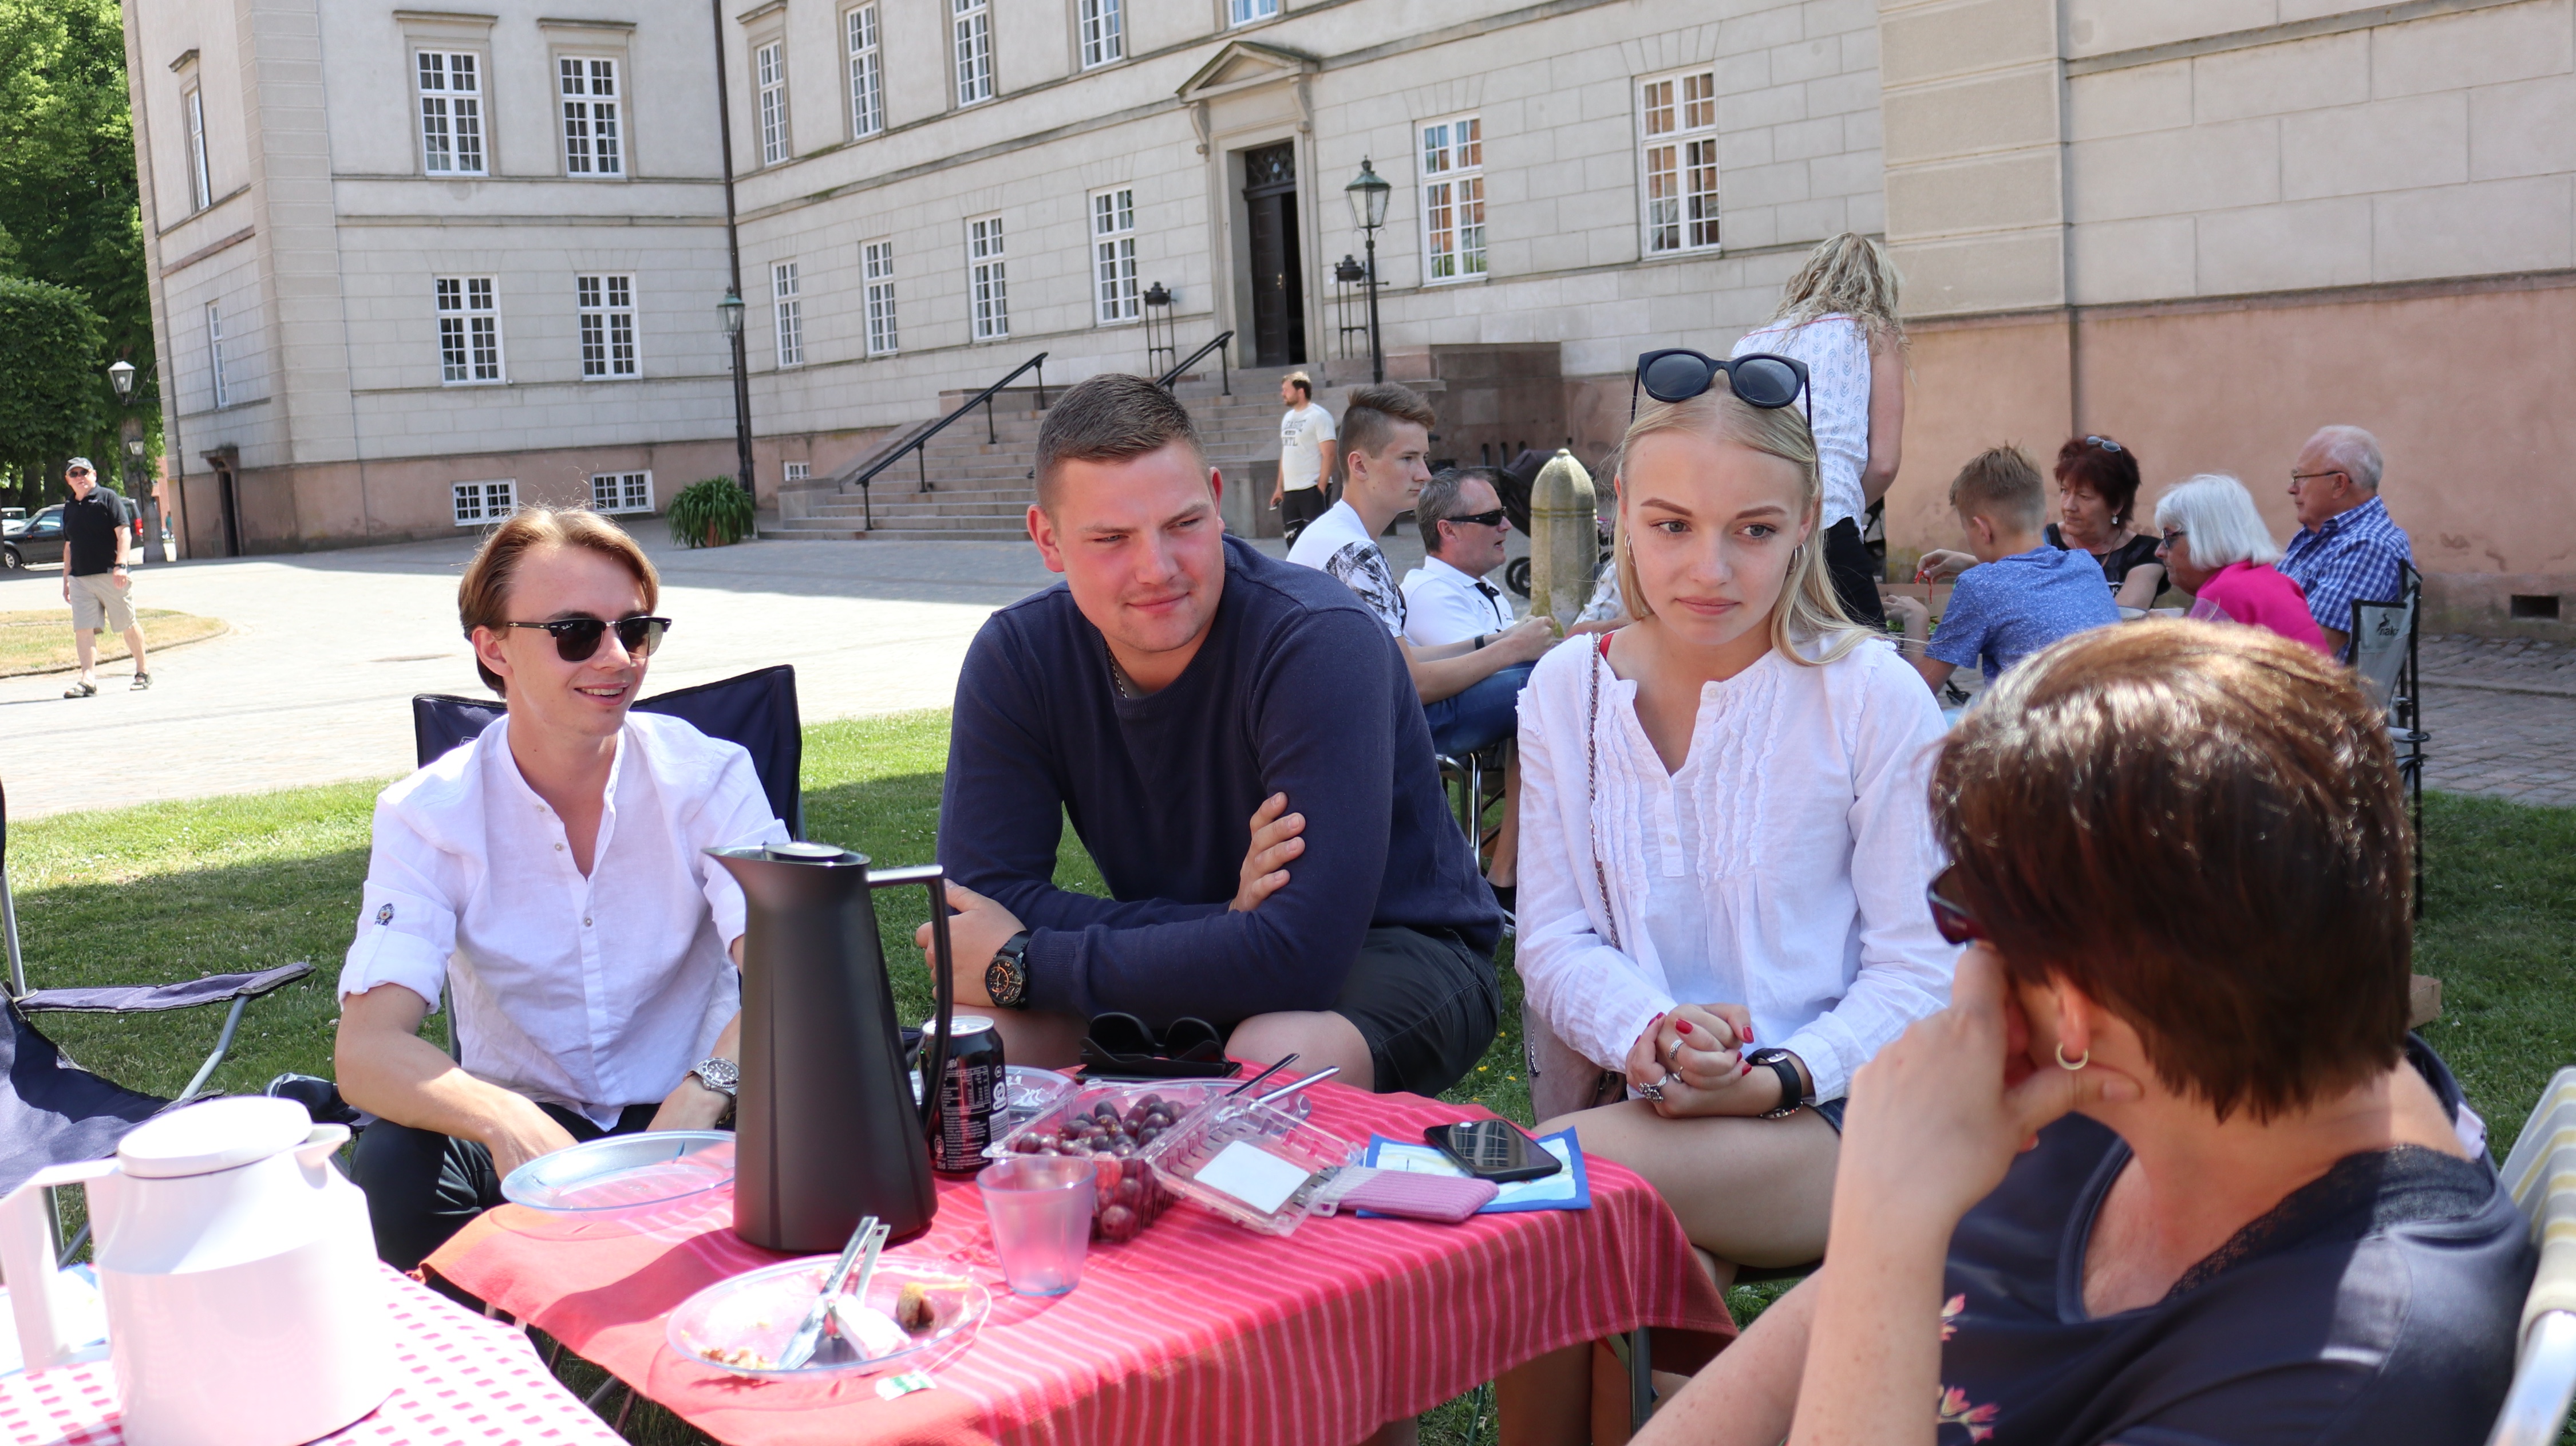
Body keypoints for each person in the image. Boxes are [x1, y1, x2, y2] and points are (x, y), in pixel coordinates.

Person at [1632, 623, 2531, 1446]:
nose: (1960, 961)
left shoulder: (2340, 1383)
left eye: (1959, 911)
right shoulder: (2129, 1095)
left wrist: (1885, 1216)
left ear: (2071, 996)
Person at [1496, 365, 1957, 1445]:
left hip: (1847, 1112)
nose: (1708, 568)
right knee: (1633, 1270)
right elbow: (1553, 937)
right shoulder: (1567, 689)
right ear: (1620, 514)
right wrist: (1650, 1031)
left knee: (1548, 1184)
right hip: (1654, 1103)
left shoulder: (1870, 694)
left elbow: (1923, 971)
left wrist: (1777, 1076)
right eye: (1671, 525)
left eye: (1752, 530)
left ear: (1806, 523)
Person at [929, 374, 1502, 1099]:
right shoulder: (1019, 656)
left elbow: (1303, 955)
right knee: (974, 1047)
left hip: (1398, 944)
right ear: (1048, 538)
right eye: (1110, 539)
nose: (1157, 569)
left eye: (1183, 524)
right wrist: (1227, 926)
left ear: (1218, 499)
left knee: (1269, 1054)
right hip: (1215, 955)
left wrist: (1029, 960)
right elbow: (972, 908)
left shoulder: (1319, 640)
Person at [335, 508, 786, 1269]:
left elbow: (795, 966)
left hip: (705, 1101)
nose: (616, 657)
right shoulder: (427, 814)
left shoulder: (710, 776)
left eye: (635, 631)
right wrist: (503, 1118)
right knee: (393, 1169)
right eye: (576, 632)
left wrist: (708, 1088)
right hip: (530, 1123)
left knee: (858, 1097)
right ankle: (500, 1347)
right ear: (494, 648)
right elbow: (367, 1050)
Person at [1286, 383, 1558, 761]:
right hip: (1357, 736)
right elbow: (1411, 682)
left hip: (1353, 723)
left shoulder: (1336, 534)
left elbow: (1401, 662)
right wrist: (1512, 649)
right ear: (1359, 465)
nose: (1425, 475)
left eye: (1424, 458)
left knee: (1540, 668)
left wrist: (1496, 642)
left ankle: (1523, 822)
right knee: (1553, 679)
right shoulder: (1352, 551)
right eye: (1408, 459)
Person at [1729, 232, 1909, 626]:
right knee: (1871, 670)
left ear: (1808, 279)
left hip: (1750, 526)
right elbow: (1883, 464)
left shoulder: (1749, 344)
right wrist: (1846, 501)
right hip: (1828, 519)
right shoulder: (1873, 332)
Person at [1401, 465, 1533, 907]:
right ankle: (1504, 878)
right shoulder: (1432, 592)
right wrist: (1522, 650)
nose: (1507, 525)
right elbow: (1470, 681)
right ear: (1448, 531)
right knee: (1545, 691)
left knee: (1550, 694)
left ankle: (1514, 867)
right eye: (1491, 517)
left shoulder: (1477, 587)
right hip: (1431, 726)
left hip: (1476, 724)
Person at [1886, 447, 2118, 693]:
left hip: (2045, 729)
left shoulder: (1979, 587)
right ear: (2044, 518)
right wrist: (1978, 564)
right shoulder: (2085, 564)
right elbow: (2028, 585)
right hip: (2112, 722)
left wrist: (1916, 618)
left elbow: (1920, 691)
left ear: (1983, 530)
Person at [2155, 473, 2332, 654]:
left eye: (2168, 537)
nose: (2159, 552)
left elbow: (2190, 675)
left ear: (2207, 537)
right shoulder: (2268, 580)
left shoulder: (2224, 592)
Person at [2280, 424, 2412, 657]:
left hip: (2308, 690)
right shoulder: (2320, 534)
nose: (2292, 489)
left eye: (2300, 477)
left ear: (2339, 484)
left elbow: (2310, 651)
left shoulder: (2368, 546)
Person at [57, 457, 149, 698]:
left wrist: (121, 565)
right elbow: (69, 545)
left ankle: (142, 671)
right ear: (68, 480)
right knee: (83, 629)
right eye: (74, 474)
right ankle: (88, 680)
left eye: (84, 472)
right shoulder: (69, 507)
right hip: (80, 578)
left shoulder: (108, 498)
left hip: (110, 574)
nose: (80, 477)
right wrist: (66, 578)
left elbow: (125, 534)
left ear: (94, 474)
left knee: (127, 624)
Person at [1269, 370, 1337, 546]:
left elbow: (1329, 454)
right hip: (1291, 491)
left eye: (1286, 389)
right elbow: (1286, 453)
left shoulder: (1319, 416)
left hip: (1311, 488)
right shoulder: (1287, 418)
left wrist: (1320, 489)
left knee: (1316, 543)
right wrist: (1279, 488)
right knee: (1293, 542)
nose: (1283, 394)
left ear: (1301, 391)